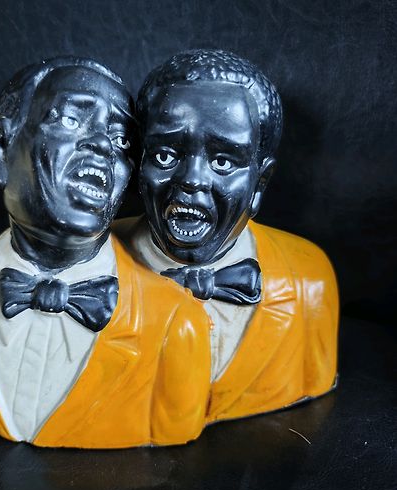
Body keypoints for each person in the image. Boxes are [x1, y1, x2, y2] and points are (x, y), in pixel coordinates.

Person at [0, 57, 211, 448]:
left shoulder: (175, 324)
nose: (102, 145)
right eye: (70, 119)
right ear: (0, 149)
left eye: (121, 140)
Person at [115, 49, 339, 422]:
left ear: (259, 183)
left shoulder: (309, 282)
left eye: (222, 161)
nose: (192, 180)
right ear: (139, 165)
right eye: (166, 155)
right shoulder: (91, 268)